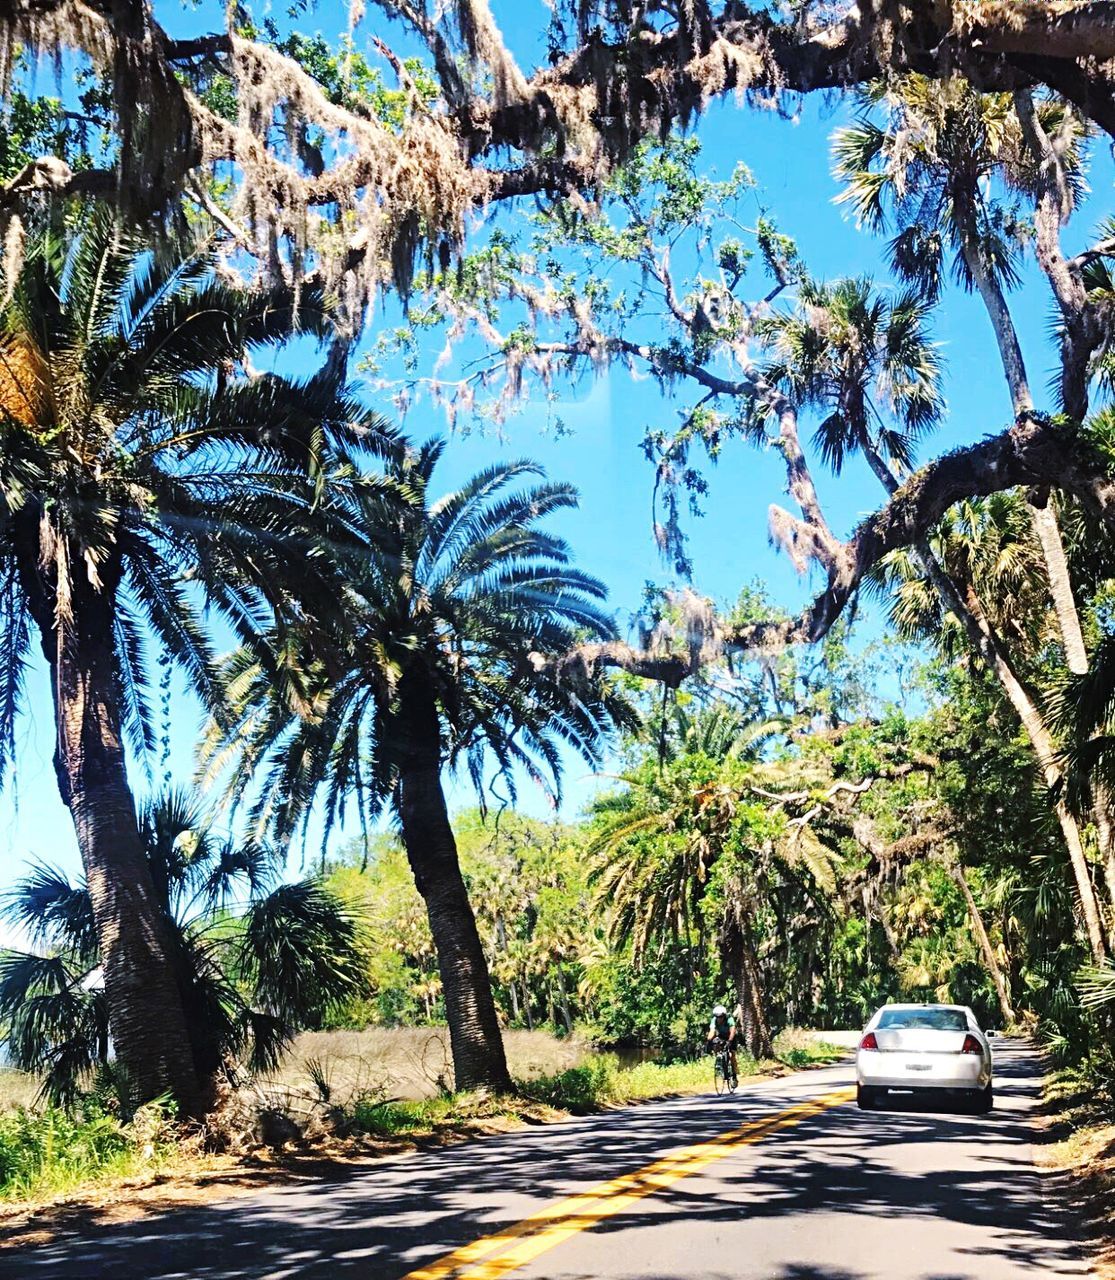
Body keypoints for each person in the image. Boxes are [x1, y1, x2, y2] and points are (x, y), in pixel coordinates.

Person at [706, 1003, 738, 1082]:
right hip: (722, 1035)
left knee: (731, 1055)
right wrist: (709, 1040)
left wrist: (730, 1041)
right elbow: (712, 1031)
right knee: (716, 1044)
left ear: (724, 1016)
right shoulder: (714, 1020)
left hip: (731, 1036)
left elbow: (733, 1030)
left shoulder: (729, 1019)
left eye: (720, 1017)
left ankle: (734, 1074)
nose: (719, 1018)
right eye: (717, 1017)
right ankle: (721, 1062)